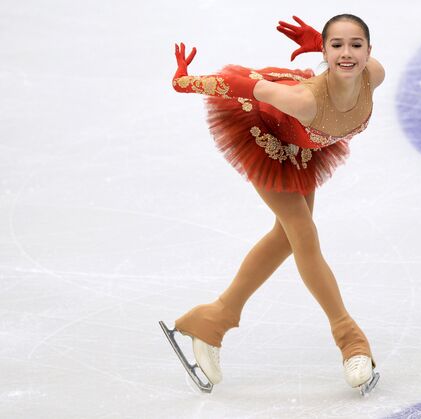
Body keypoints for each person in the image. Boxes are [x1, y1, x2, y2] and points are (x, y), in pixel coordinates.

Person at [159, 14, 385, 395]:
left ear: (369, 51)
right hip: (263, 130)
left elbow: (349, 60)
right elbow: (240, 85)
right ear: (326, 53)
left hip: (300, 142)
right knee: (302, 233)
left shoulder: (373, 75)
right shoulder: (301, 98)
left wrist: (324, 43)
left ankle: (213, 319)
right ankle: (350, 340)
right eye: (336, 46)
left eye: (355, 45)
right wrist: (186, 82)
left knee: (286, 237)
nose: (348, 54)